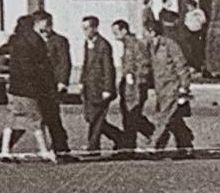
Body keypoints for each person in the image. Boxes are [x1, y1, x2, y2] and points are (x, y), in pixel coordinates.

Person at [0, 14, 62, 163]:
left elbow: (4, 51)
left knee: (12, 118)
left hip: (14, 87)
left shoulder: (15, 40)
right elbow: (37, 66)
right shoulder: (34, 41)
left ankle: (4, 150)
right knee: (37, 119)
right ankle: (44, 150)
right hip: (29, 89)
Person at [147, 18, 196, 158]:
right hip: (160, 89)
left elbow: (181, 66)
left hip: (172, 88)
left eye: (146, 31)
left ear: (152, 31)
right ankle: (186, 144)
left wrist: (184, 88)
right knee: (174, 119)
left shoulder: (169, 45)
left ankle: (155, 147)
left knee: (164, 118)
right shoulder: (150, 46)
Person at [31, 12, 74, 159]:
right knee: (29, 117)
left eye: (47, 26)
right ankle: (0, 145)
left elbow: (64, 63)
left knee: (52, 117)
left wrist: (62, 82)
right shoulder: (32, 41)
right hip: (36, 85)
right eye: (41, 27)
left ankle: (61, 148)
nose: (45, 30)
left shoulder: (59, 41)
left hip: (52, 86)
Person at [79, 16, 124, 154]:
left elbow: (108, 68)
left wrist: (107, 88)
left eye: (87, 28)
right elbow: (86, 65)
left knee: (97, 118)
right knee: (90, 117)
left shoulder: (103, 45)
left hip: (100, 88)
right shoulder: (87, 43)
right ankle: (120, 137)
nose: (85, 32)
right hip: (89, 87)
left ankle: (93, 147)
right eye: (83, 29)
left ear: (95, 28)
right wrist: (81, 81)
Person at [114, 18, 153, 154]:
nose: (115, 35)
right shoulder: (128, 44)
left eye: (116, 32)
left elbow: (144, 63)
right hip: (129, 84)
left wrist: (135, 77)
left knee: (132, 114)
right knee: (130, 114)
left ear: (124, 30)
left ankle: (130, 145)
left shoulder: (135, 44)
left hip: (136, 85)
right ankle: (148, 134)